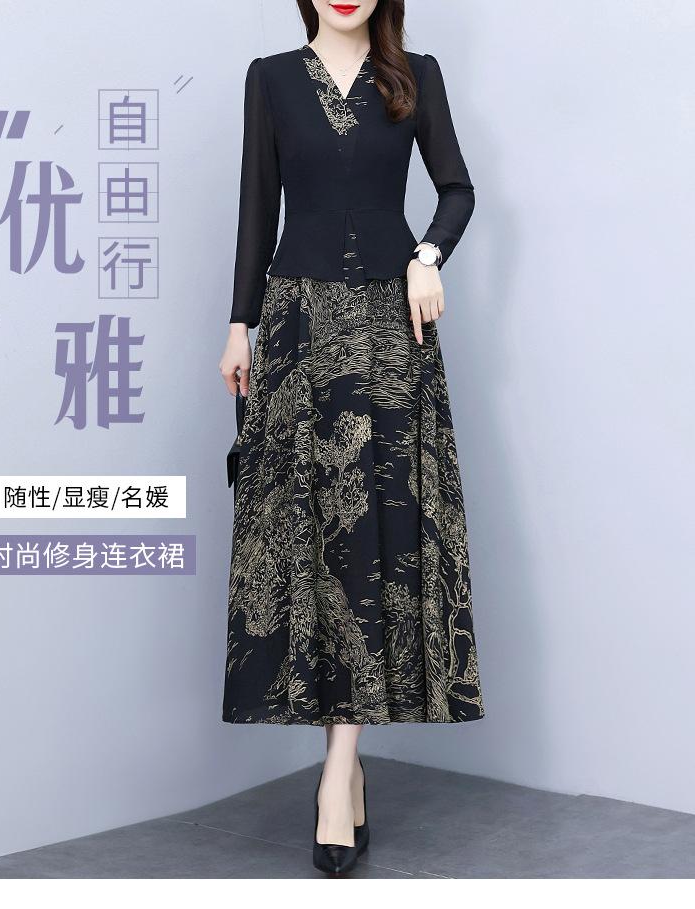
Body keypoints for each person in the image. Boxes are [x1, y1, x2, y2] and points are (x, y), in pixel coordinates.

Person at [218, 0, 485, 876]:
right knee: (310, 540)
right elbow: (257, 209)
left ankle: (338, 773)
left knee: (373, 543)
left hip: (389, 332)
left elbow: (457, 188)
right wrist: (239, 326)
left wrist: (427, 257)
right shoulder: (270, 80)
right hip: (295, 327)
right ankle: (346, 765)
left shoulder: (416, 75)